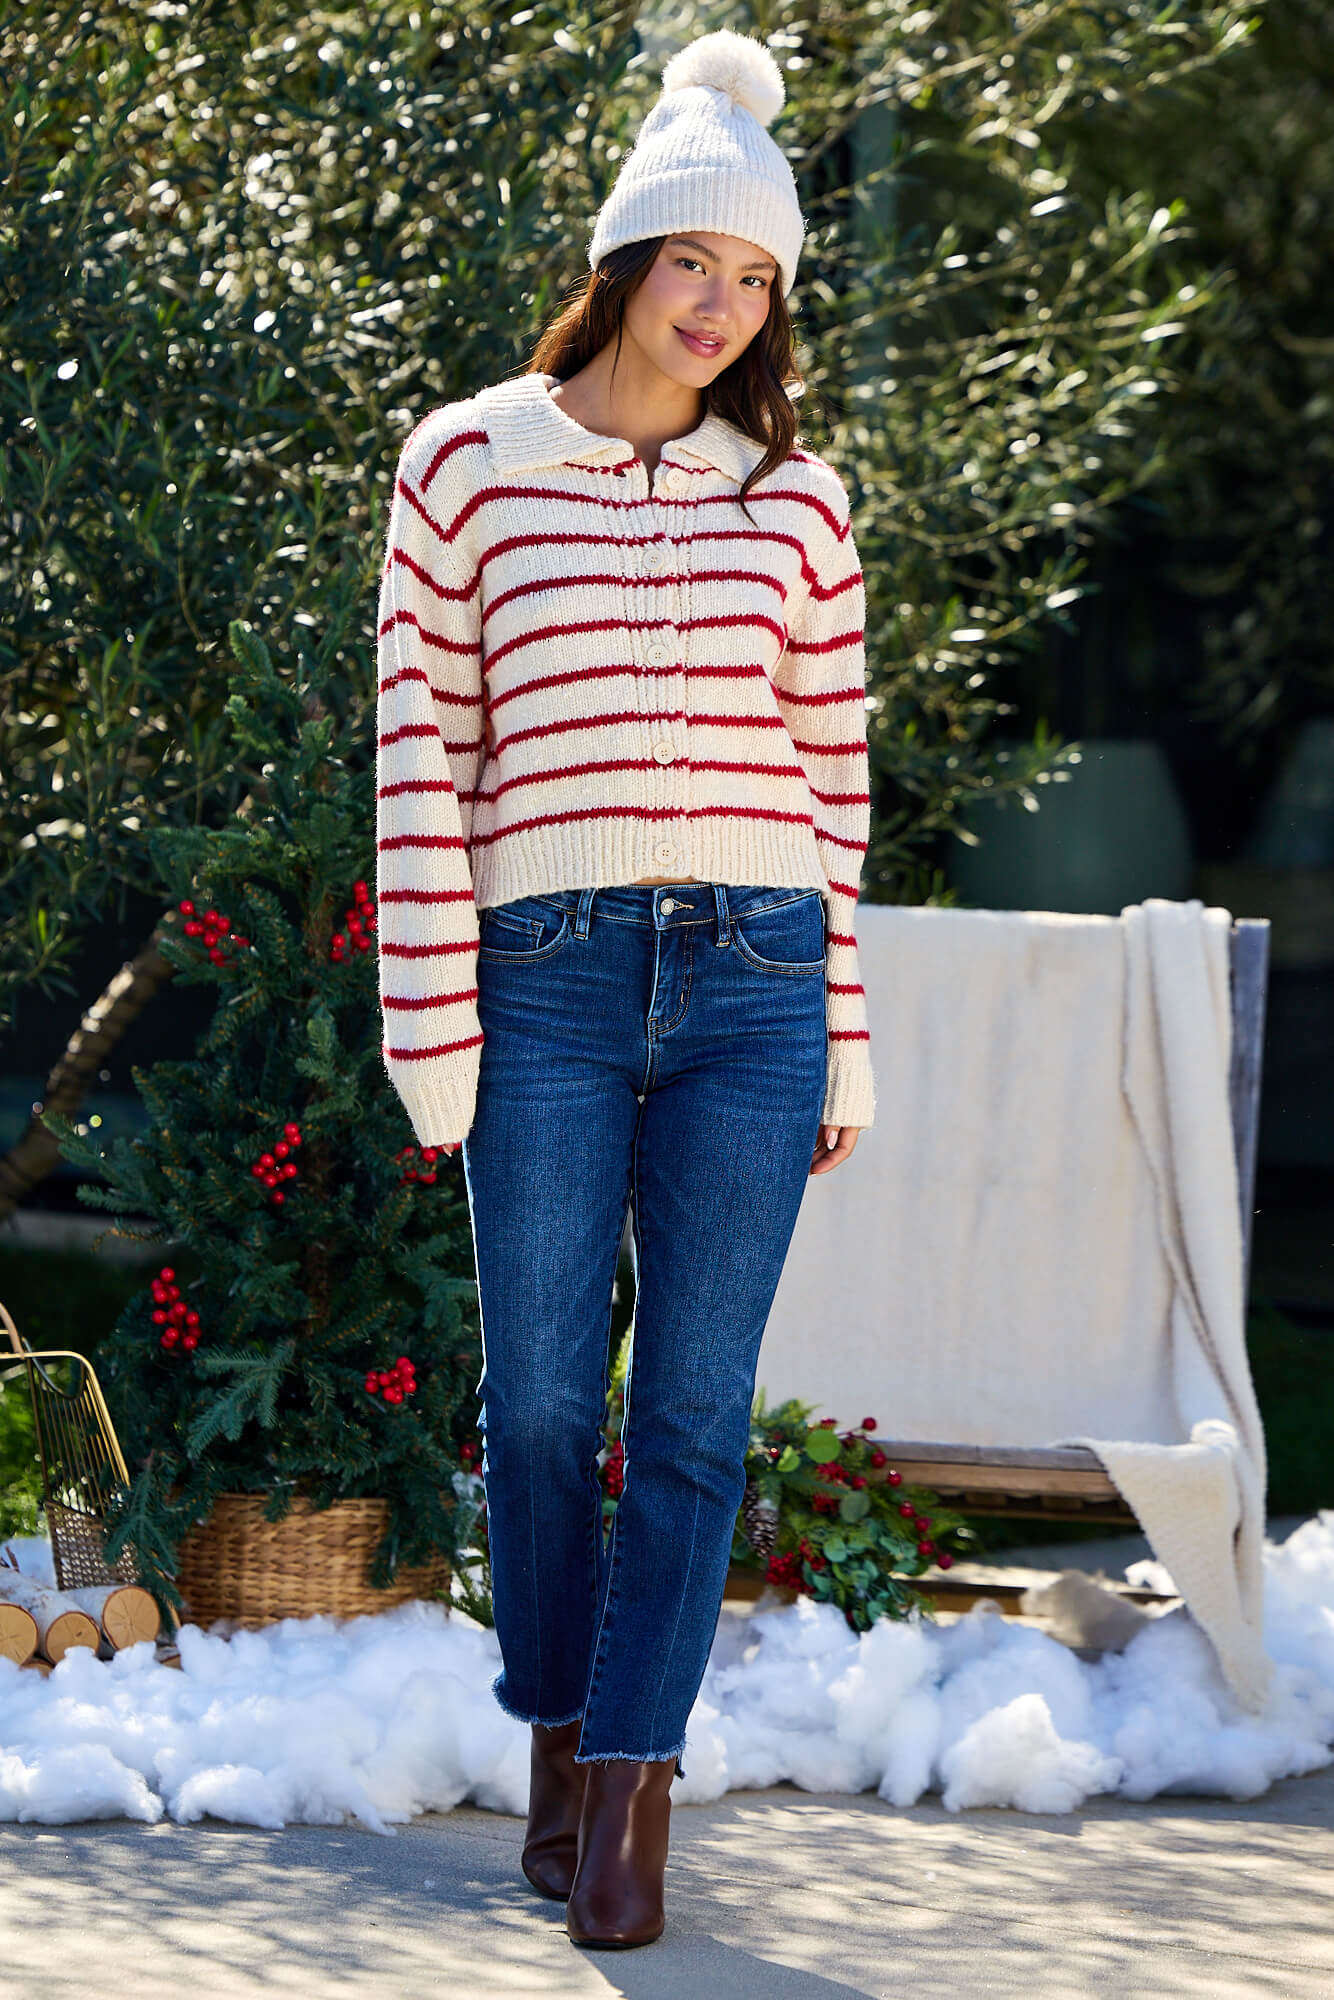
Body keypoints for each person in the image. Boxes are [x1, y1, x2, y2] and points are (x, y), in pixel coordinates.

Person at [373, 27, 876, 1950]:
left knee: (690, 1415)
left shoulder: (796, 506)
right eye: (698, 264)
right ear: (629, 256)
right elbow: (426, 757)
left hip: (753, 975)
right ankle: (561, 1736)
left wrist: (843, 1027)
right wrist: (434, 1026)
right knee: (532, 1405)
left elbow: (835, 795)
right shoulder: (467, 465)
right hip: (548, 980)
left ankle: (637, 1796)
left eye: (756, 283)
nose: (722, 309)